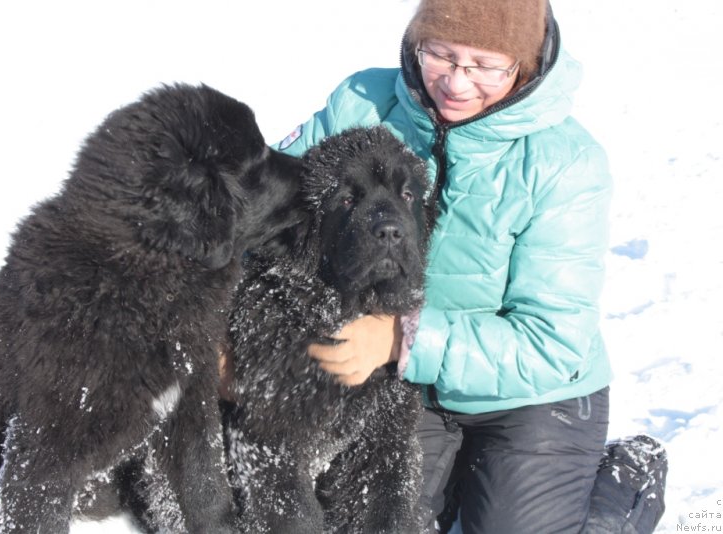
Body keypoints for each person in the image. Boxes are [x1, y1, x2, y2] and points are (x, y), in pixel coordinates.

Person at [270, 0, 667, 532]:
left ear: (524, 66)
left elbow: (551, 341)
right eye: (441, 55)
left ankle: (625, 484)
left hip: (534, 395)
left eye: (485, 66)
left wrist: (399, 339)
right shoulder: (364, 104)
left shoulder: (566, 162)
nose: (457, 83)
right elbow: (268, 212)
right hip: (406, 384)